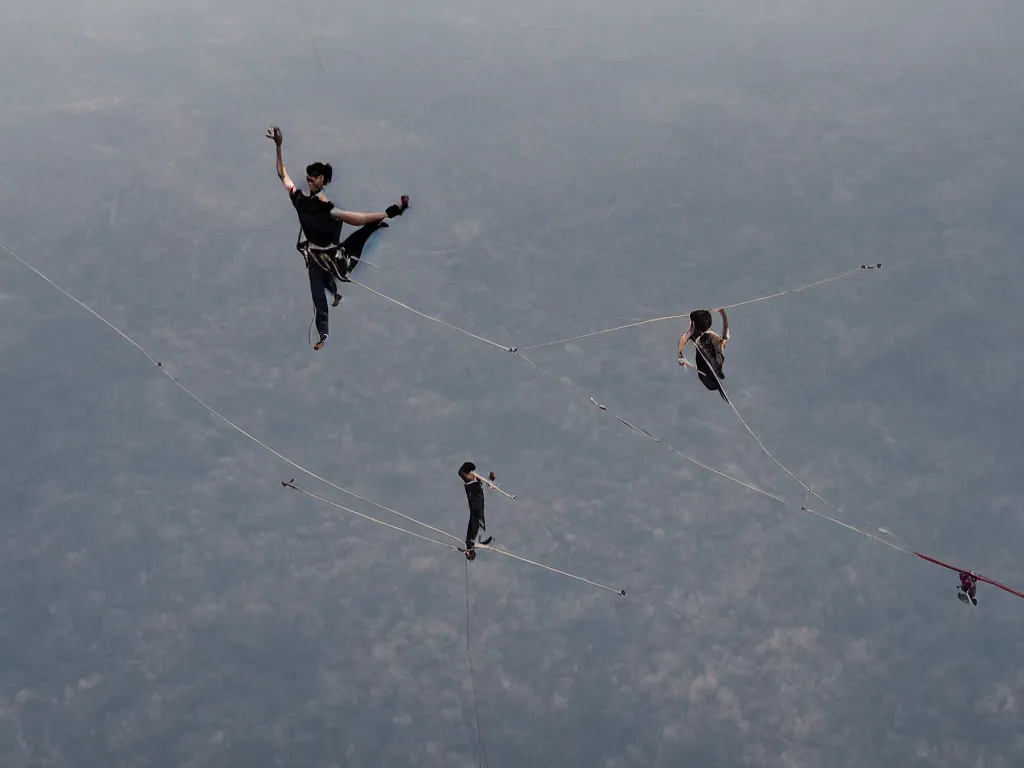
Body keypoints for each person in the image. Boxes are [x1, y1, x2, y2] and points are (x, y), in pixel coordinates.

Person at [266, 125, 409, 350]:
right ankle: (324, 334)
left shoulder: (328, 209)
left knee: (361, 236)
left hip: (332, 255)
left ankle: (335, 293)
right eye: (308, 178)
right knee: (317, 296)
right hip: (314, 255)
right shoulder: (300, 201)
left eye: (312, 178)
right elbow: (282, 174)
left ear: (321, 179)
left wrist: (389, 212)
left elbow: (357, 218)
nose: (309, 181)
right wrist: (279, 146)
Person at [678, 308, 730, 400]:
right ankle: (715, 370)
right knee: (717, 341)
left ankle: (715, 370)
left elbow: (685, 337)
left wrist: (680, 355)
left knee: (716, 342)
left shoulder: (693, 333)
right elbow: (725, 334)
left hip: (709, 367)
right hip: (708, 368)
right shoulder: (696, 333)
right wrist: (723, 314)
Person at [459, 461, 493, 558]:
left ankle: (469, 475)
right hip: (475, 496)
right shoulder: (471, 544)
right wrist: (484, 544)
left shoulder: (469, 544)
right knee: (476, 514)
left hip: (475, 495)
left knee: (475, 514)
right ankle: (470, 476)